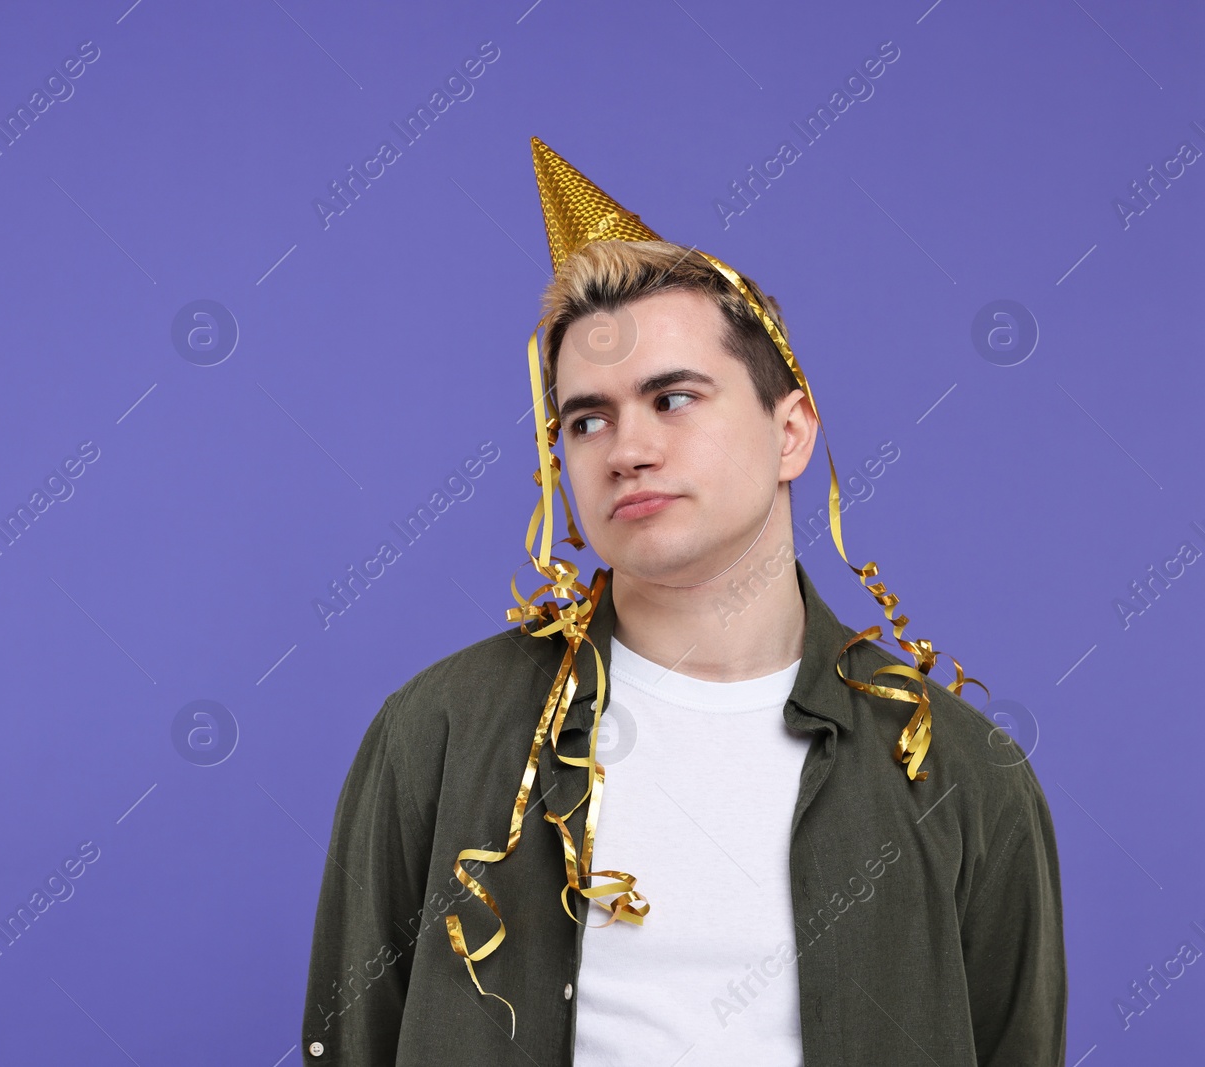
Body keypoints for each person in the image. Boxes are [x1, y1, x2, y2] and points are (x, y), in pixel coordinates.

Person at [299, 137, 1066, 1066]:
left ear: (791, 432)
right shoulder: (440, 734)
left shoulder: (961, 776)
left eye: (672, 399)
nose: (627, 447)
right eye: (587, 418)